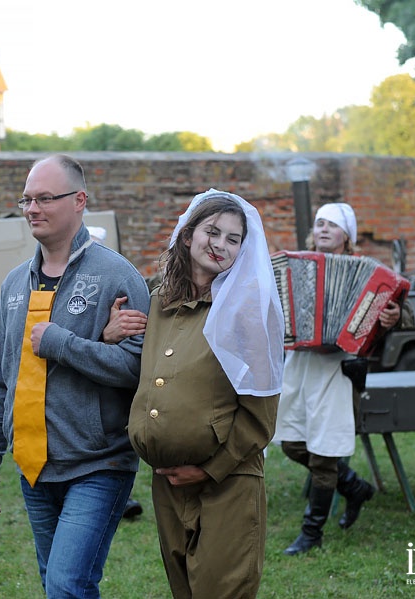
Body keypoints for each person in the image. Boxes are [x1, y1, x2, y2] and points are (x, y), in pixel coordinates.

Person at [0, 154, 151, 598]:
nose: (33, 208)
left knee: (67, 584)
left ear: (79, 200)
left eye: (45, 198)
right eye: (27, 199)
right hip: (33, 468)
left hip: (98, 464)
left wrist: (60, 343)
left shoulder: (117, 277)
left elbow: (138, 370)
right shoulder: (15, 284)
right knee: (58, 585)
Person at [106, 189, 285, 598]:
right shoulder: (158, 304)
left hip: (227, 483)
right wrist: (108, 332)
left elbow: (261, 415)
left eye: (233, 239)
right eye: (213, 231)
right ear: (188, 236)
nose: (221, 245)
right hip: (167, 485)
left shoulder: (248, 313)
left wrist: (208, 469)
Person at [273, 202, 413, 556]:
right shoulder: (295, 265)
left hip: (339, 368)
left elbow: (405, 313)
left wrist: (394, 316)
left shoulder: (369, 272)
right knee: (290, 441)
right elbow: (273, 302)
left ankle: (311, 533)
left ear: (346, 235)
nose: (323, 229)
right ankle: (354, 488)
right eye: (319, 223)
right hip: (300, 362)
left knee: (324, 453)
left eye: (332, 225)